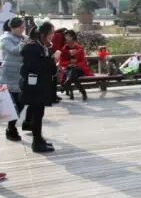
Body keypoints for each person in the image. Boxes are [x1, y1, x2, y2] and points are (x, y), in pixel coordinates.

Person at [20, 22, 59, 153]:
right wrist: (53, 59)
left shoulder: (42, 46)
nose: (53, 35)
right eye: (51, 33)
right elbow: (35, 67)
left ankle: (39, 139)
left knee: (39, 113)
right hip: (34, 87)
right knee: (36, 114)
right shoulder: (31, 47)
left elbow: (47, 67)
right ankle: (36, 143)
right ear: (43, 34)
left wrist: (52, 60)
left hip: (40, 86)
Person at [1, 17, 27, 142]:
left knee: (21, 103)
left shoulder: (22, 38)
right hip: (9, 76)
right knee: (14, 104)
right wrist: (24, 43)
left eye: (23, 27)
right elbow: (14, 51)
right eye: (20, 27)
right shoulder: (5, 39)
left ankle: (11, 128)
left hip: (21, 75)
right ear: (12, 28)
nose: (22, 29)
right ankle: (11, 129)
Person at [59, 30, 93, 101]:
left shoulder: (80, 48)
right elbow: (61, 62)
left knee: (73, 71)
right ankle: (83, 92)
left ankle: (66, 83)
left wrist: (76, 64)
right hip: (68, 69)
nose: (66, 37)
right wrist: (69, 63)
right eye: (65, 36)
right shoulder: (63, 49)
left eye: (67, 36)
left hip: (79, 69)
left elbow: (83, 62)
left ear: (72, 37)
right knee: (72, 74)